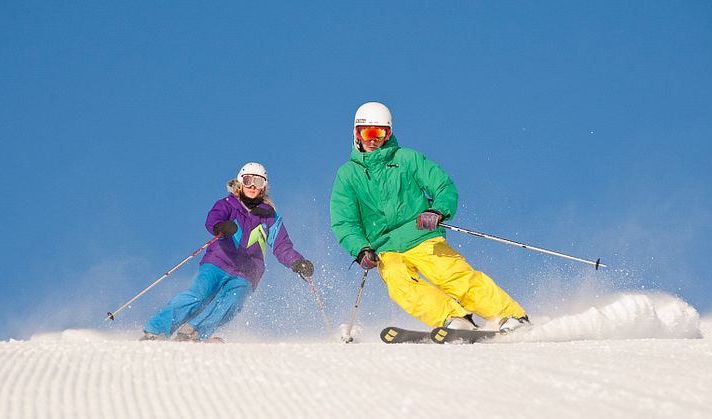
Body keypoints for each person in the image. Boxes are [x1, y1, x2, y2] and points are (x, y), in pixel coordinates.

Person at [330, 102, 529, 332]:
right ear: (356, 133)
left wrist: (437, 211)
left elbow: (443, 186)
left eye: (379, 133)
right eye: (367, 132)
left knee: (450, 274)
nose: (373, 139)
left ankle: (510, 315)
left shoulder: (407, 159)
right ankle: (453, 319)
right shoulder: (347, 175)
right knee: (399, 283)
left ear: (388, 134)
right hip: (384, 248)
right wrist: (361, 249)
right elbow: (345, 221)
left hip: (422, 235)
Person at [142, 162, 314, 342]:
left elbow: (282, 246)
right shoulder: (228, 204)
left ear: (265, 186)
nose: (253, 186)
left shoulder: (270, 217)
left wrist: (296, 261)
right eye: (248, 181)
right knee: (199, 295)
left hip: (247, 273)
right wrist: (220, 226)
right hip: (218, 261)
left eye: (259, 182)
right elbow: (213, 219)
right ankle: (156, 329)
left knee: (231, 301)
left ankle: (194, 332)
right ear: (240, 182)